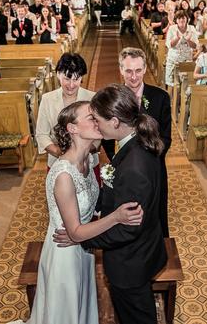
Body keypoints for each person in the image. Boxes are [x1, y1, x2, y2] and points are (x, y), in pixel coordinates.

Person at [11, 101, 143, 324]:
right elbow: (74, 232)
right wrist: (116, 217)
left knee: (81, 307)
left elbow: (91, 209)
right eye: (91, 117)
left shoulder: (88, 159)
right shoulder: (64, 175)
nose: (98, 120)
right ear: (72, 128)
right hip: (64, 254)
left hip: (83, 247)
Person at [55, 84, 167, 324]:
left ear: (115, 122)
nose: (96, 125)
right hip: (142, 252)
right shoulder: (136, 143)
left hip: (130, 264)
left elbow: (127, 229)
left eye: (97, 120)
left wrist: (81, 238)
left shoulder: (134, 165)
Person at [102, 48, 172, 237]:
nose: (134, 77)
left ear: (145, 68)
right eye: (128, 71)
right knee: (124, 212)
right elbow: (105, 136)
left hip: (154, 167)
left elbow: (166, 138)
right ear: (120, 69)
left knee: (155, 211)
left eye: (138, 70)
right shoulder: (111, 98)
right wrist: (118, 159)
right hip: (122, 168)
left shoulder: (160, 97)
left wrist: (146, 159)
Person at [36, 54, 96, 169]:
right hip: (57, 161)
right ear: (58, 74)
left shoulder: (92, 98)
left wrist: (82, 152)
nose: (71, 85)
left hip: (86, 160)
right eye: (67, 79)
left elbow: (99, 132)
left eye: (76, 79)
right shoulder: (47, 99)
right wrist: (58, 152)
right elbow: (41, 134)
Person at [165, 10, 199, 87]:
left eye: (183, 18)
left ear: (187, 19)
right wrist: (177, 38)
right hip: (173, 60)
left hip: (186, 60)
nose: (181, 20)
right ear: (176, 20)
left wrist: (188, 40)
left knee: (185, 84)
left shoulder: (192, 28)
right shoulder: (172, 28)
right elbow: (169, 45)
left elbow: (195, 46)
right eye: (179, 18)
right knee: (172, 84)